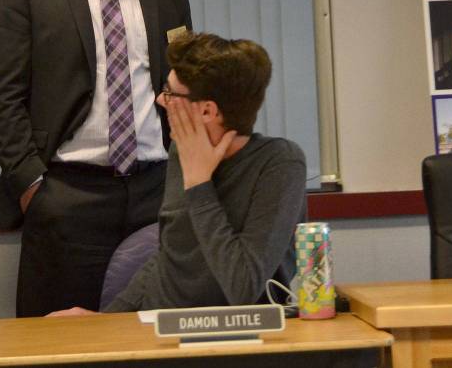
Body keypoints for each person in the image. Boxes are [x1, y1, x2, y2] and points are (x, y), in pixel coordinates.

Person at [0, 0, 193, 317]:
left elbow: (184, 80)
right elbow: (2, 92)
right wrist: (33, 184)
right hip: (66, 196)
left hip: (154, 193)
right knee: (60, 346)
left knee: (156, 337)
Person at [50, 32, 307, 315]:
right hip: (159, 328)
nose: (161, 99)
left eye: (171, 92)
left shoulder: (280, 163)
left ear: (208, 111)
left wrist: (200, 184)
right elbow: (170, 256)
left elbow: (243, 286)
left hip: (236, 338)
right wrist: (106, 321)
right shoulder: (180, 150)